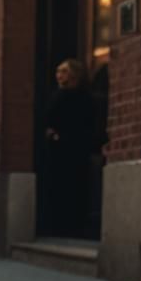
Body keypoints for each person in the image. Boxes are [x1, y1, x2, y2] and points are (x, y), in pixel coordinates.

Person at [44, 58, 94, 237]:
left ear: (75, 74)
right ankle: (59, 225)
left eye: (64, 71)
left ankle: (74, 226)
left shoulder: (84, 97)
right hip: (58, 150)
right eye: (58, 71)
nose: (59, 75)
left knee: (76, 186)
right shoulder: (57, 95)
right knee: (58, 186)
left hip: (75, 149)